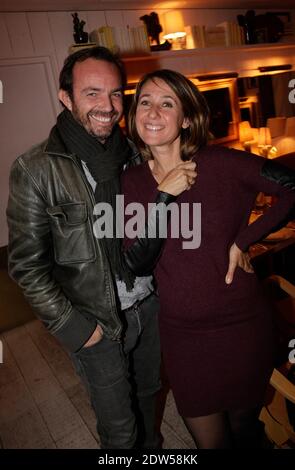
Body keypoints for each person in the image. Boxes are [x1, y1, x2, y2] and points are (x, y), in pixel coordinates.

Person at [6, 47, 193, 449]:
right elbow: (26, 267)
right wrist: (76, 328)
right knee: (120, 431)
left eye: (114, 94)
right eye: (92, 93)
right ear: (66, 97)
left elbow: (169, 219)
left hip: (148, 306)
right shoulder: (36, 169)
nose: (107, 107)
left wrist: (233, 243)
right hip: (95, 323)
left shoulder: (133, 154)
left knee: (149, 397)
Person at [121, 69, 295, 448]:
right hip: (184, 338)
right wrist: (163, 197)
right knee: (211, 444)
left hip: (243, 325)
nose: (152, 112)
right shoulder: (131, 182)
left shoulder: (222, 163)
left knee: (245, 430)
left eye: (167, 103)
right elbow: (137, 262)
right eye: (145, 102)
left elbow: (291, 188)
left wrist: (243, 241)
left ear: (186, 118)